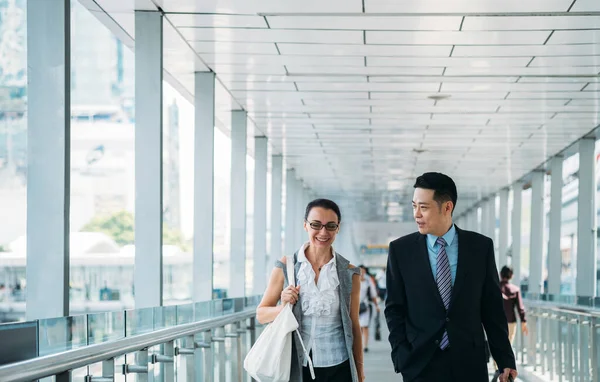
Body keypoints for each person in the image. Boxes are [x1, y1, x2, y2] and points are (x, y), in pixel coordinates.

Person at [384, 172, 517, 382]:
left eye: (424, 207)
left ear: (447, 207)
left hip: (469, 363)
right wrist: (401, 354)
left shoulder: (480, 248)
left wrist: (505, 360)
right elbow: (394, 308)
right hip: (419, 363)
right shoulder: (401, 251)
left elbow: (492, 308)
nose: (416, 214)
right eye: (414, 206)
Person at [256, 198, 365, 382]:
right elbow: (261, 314)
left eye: (330, 226)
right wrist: (283, 307)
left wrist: (359, 371)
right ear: (305, 225)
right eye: (316, 224)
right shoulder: (286, 266)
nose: (323, 232)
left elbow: (354, 324)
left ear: (338, 228)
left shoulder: (349, 273)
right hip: (298, 366)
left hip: (340, 366)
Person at [500, 265, 528, 343]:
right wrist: (523, 321)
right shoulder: (515, 290)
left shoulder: (495, 288)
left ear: (500, 274)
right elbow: (520, 308)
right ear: (511, 276)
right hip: (510, 321)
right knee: (508, 345)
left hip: (495, 321)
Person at [358, 265, 379, 353]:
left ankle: (365, 345)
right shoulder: (353, 280)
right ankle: (358, 345)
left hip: (365, 306)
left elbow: (373, 294)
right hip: (354, 307)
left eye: (363, 271)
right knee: (357, 327)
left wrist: (376, 305)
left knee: (365, 326)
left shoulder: (368, 281)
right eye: (360, 271)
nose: (362, 273)